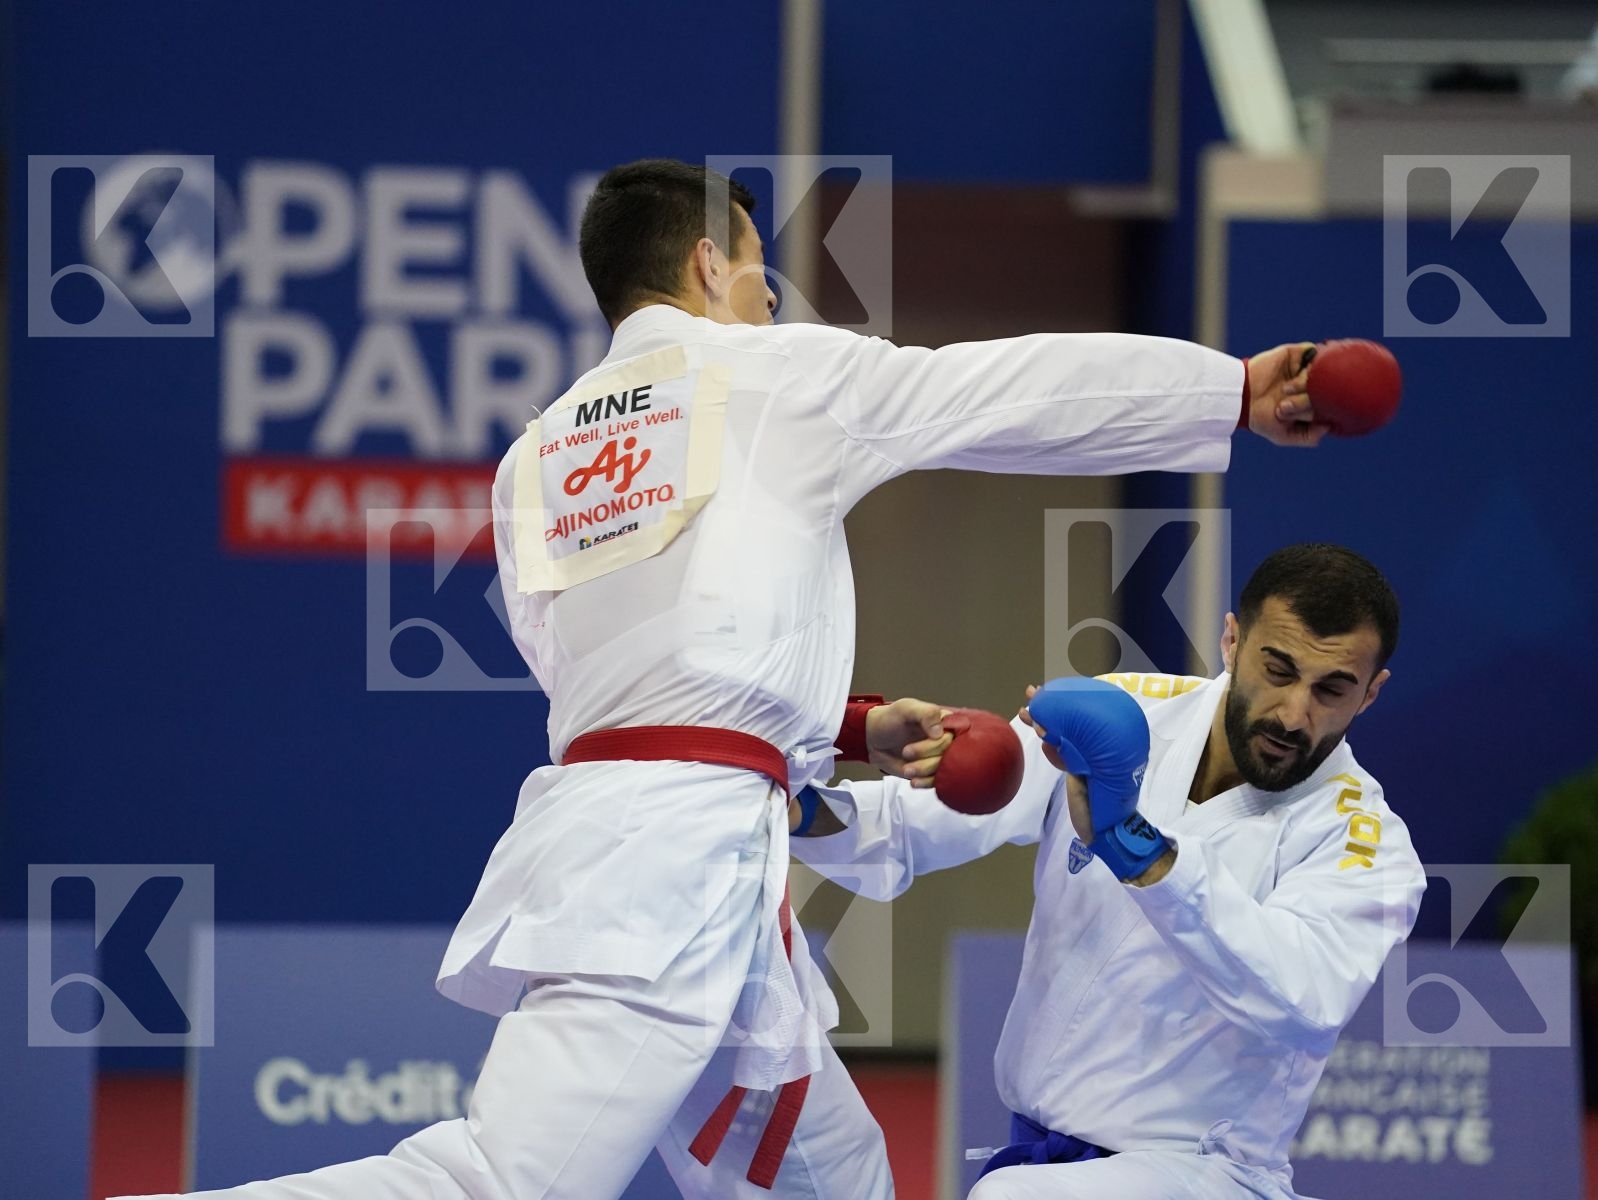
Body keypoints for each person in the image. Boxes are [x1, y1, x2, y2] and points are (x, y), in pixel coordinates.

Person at [121, 160, 1331, 1200]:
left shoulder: (538, 451)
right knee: (501, 1180)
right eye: (759, 273)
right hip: (675, 873)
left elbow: (618, 678)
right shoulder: (763, 376)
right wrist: (1228, 392)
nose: (767, 297)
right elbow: (996, 390)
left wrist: (842, 729)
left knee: (834, 1179)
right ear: (708, 263)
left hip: (640, 845)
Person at [792, 543, 1426, 1200]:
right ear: (1232, 641)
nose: (1295, 714)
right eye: (1278, 670)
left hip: (1210, 1175)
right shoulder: (1120, 715)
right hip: (1041, 1157)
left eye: (1332, 690)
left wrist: (1143, 854)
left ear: (1371, 693)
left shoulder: (1367, 842)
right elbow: (912, 829)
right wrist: (784, 806)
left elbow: (1300, 998)